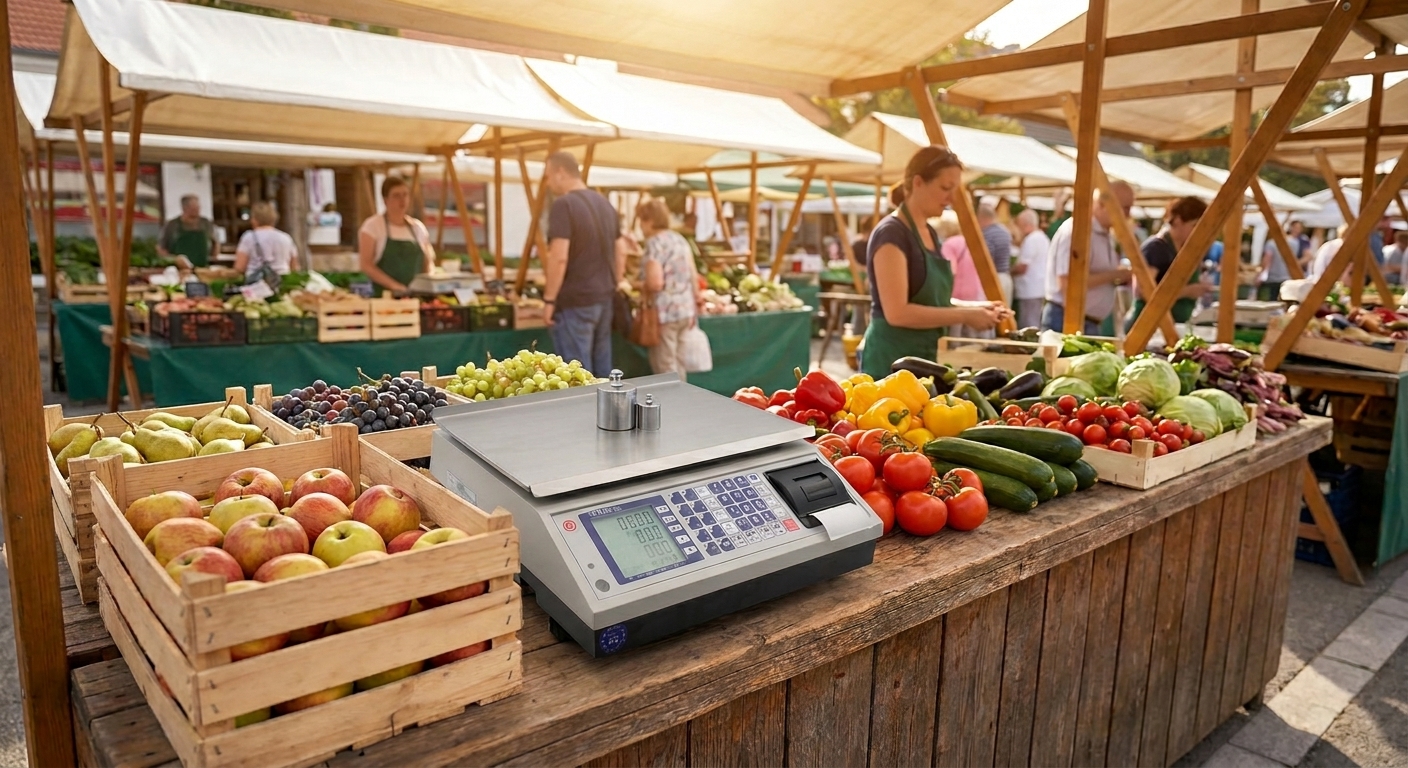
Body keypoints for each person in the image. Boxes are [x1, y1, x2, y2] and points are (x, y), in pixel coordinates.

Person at [859, 145, 1008, 379]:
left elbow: (933, 302)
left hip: (924, 359)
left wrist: (976, 308)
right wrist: (965, 316)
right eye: (945, 188)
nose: (951, 198)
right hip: (890, 362)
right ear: (918, 182)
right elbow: (897, 312)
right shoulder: (891, 234)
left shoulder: (929, 232)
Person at [543, 151, 631, 376]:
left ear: (560, 173)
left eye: (548, 176)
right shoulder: (604, 203)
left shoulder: (564, 205)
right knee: (603, 371)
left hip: (575, 301)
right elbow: (621, 249)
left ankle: (584, 412)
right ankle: (608, 411)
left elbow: (559, 256)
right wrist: (617, 281)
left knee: (576, 374)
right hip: (604, 298)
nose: (548, 183)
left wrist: (549, 299)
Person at [1042, 182, 1135, 334]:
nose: (1128, 215)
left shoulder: (1104, 234)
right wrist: (1116, 275)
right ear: (1102, 204)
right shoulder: (1077, 232)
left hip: (1087, 323)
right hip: (1068, 321)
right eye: (1125, 208)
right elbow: (1067, 283)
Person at [636, 199, 700, 380]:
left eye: (641, 220)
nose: (641, 226)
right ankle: (682, 402)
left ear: (649, 221)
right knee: (679, 364)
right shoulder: (679, 240)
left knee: (665, 366)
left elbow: (655, 283)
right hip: (685, 309)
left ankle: (673, 405)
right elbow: (693, 275)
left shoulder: (654, 243)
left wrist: (633, 284)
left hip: (665, 311)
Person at [1128, 196, 1213, 325]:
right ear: (1178, 221)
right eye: (1194, 225)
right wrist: (1187, 291)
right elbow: (1142, 291)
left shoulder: (1185, 250)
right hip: (1147, 325)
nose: (1199, 232)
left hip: (1175, 324)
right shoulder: (1156, 248)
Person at [359, 177, 435, 296]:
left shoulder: (418, 228)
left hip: (416, 297)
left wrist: (429, 283)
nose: (402, 200)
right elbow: (366, 265)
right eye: (396, 195)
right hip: (384, 298)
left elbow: (427, 262)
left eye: (405, 195)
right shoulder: (372, 226)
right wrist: (394, 286)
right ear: (385, 200)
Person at [233, 202, 298, 283]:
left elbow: (240, 267)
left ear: (254, 220)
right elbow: (294, 267)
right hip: (282, 282)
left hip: (257, 284)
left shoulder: (249, 237)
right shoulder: (286, 238)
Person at [157, 194, 218, 268]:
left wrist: (214, 258)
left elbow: (215, 242)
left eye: (198, 207)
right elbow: (161, 248)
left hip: (202, 268)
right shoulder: (172, 225)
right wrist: (172, 260)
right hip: (178, 269)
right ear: (184, 208)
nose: (197, 209)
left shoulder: (206, 223)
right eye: (194, 207)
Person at [1012, 209, 1049, 329]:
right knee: (1034, 322)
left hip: (1029, 290)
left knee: (1028, 325)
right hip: (1038, 288)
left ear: (1027, 225)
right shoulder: (1043, 238)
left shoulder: (1031, 239)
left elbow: (1023, 267)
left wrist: (1008, 271)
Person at [1259, 221, 1308, 300]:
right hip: (1288, 278)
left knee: (1272, 301)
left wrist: (1260, 275)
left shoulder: (1271, 243)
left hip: (1273, 278)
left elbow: (1267, 261)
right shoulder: (1295, 243)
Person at [978, 203, 1014, 304]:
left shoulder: (987, 233)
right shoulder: (1005, 231)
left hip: (994, 278)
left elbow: (987, 258)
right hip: (1006, 277)